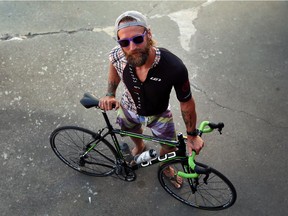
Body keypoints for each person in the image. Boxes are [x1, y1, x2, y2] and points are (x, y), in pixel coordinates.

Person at [99, 11, 204, 188]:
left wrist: (192, 135)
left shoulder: (173, 67)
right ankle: (140, 147)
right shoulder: (118, 55)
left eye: (137, 39)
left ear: (148, 34)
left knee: (169, 146)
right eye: (124, 42)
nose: (132, 47)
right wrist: (110, 93)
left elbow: (186, 102)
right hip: (128, 107)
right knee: (132, 130)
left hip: (159, 113)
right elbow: (113, 65)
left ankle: (165, 167)